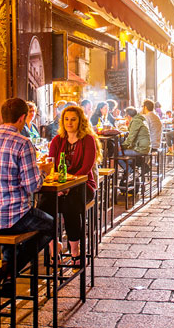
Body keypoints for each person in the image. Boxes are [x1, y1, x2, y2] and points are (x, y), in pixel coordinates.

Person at [0, 98, 54, 294]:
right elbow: (32, 186)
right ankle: (8, 270)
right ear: (22, 118)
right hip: (13, 216)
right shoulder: (23, 143)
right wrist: (43, 171)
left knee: (17, 227)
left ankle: (7, 275)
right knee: (50, 225)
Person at [40, 105, 101, 265]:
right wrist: (59, 187)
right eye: (66, 119)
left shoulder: (88, 139)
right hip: (60, 186)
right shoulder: (57, 140)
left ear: (80, 121)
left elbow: (86, 168)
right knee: (44, 205)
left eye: (73, 119)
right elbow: (52, 166)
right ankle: (54, 246)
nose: (69, 122)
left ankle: (75, 249)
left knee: (70, 206)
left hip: (83, 185)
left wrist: (68, 187)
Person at [117, 107, 151, 186]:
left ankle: (131, 171)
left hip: (141, 149)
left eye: (125, 116)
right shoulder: (139, 120)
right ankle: (132, 170)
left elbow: (130, 139)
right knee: (122, 154)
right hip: (143, 147)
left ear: (128, 116)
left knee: (117, 154)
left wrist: (121, 147)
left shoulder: (135, 122)